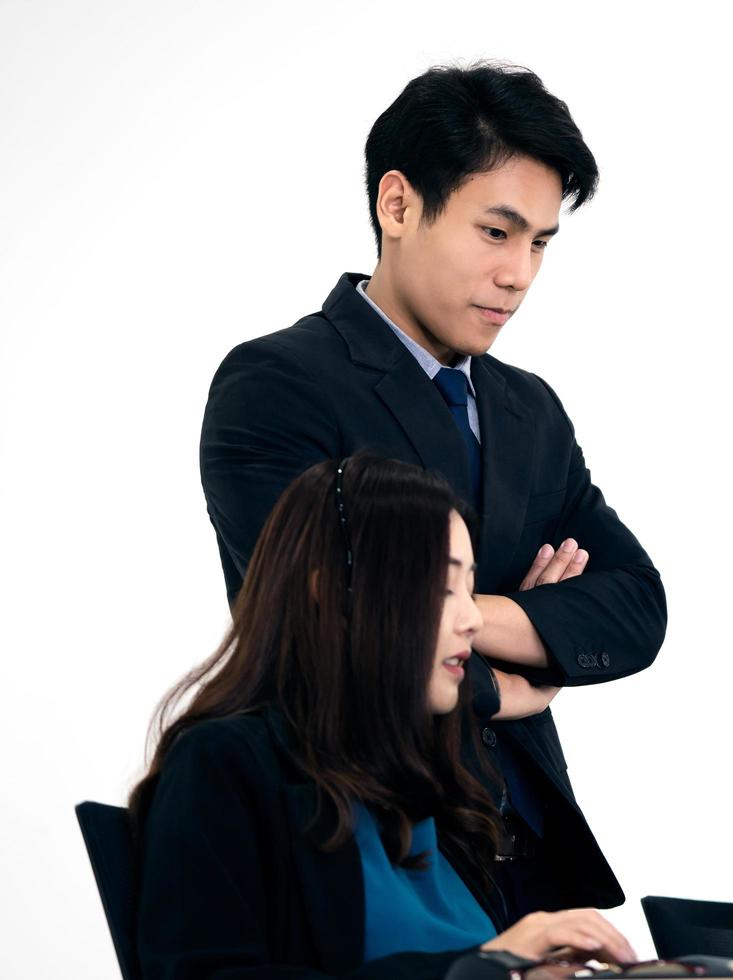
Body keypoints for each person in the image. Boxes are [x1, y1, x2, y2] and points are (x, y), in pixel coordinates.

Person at [198, 63, 666, 915]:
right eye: (498, 232)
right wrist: (518, 671)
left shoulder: (528, 409)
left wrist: (454, 615)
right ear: (399, 206)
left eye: (541, 244)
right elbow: (329, 624)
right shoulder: (276, 383)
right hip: (360, 837)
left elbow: (635, 605)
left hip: (527, 851)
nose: (520, 273)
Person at [131, 455, 639, 980]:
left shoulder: (431, 785)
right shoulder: (225, 764)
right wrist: (487, 969)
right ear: (331, 592)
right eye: (445, 589)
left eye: (470, 590)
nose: (472, 619)